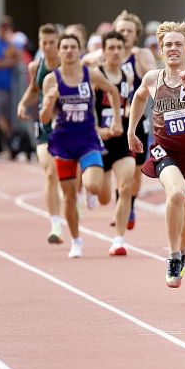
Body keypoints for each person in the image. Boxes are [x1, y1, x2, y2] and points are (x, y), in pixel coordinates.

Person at [128, 21, 185, 288]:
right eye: (168, 44)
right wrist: (131, 131)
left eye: (178, 44)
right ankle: (172, 255)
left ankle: (182, 253)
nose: (173, 49)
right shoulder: (152, 78)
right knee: (176, 193)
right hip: (164, 150)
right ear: (160, 49)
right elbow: (139, 97)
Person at [40, 34, 122, 258]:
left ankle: (89, 189)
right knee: (68, 197)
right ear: (59, 51)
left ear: (79, 51)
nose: (68, 51)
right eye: (64, 47)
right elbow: (44, 118)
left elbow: (113, 91)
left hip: (87, 139)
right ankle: (76, 240)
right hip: (63, 143)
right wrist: (48, 102)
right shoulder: (51, 80)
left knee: (94, 185)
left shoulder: (90, 74)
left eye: (72, 47)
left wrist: (116, 119)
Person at [86, 10, 158, 230]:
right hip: (107, 121)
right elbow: (80, 67)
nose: (125, 34)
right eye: (121, 30)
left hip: (134, 121)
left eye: (129, 30)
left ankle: (129, 204)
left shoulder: (140, 55)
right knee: (111, 175)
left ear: (135, 34)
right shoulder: (101, 56)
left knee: (135, 175)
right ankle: (104, 191)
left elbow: (155, 79)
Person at [16, 23, 63, 243]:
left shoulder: (69, 64)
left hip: (68, 126)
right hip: (44, 126)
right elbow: (34, 89)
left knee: (68, 176)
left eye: (51, 42)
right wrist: (23, 104)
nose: (47, 46)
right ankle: (55, 224)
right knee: (50, 172)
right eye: (43, 42)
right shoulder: (36, 65)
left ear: (59, 43)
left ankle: (72, 197)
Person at [94, 31, 136, 256]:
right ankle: (90, 187)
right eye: (111, 48)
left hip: (121, 141)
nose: (116, 52)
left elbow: (128, 103)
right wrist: (99, 130)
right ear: (104, 51)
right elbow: (88, 109)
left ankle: (119, 240)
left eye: (119, 48)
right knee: (103, 197)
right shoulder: (95, 75)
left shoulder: (127, 75)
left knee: (126, 186)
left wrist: (127, 116)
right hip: (99, 142)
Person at [0, 16, 20, 161]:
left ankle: (12, 148)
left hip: (8, 88)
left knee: (10, 120)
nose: (5, 29)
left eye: (7, 27)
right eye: (3, 27)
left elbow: (19, 58)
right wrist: (10, 61)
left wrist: (10, 43)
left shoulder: (11, 44)